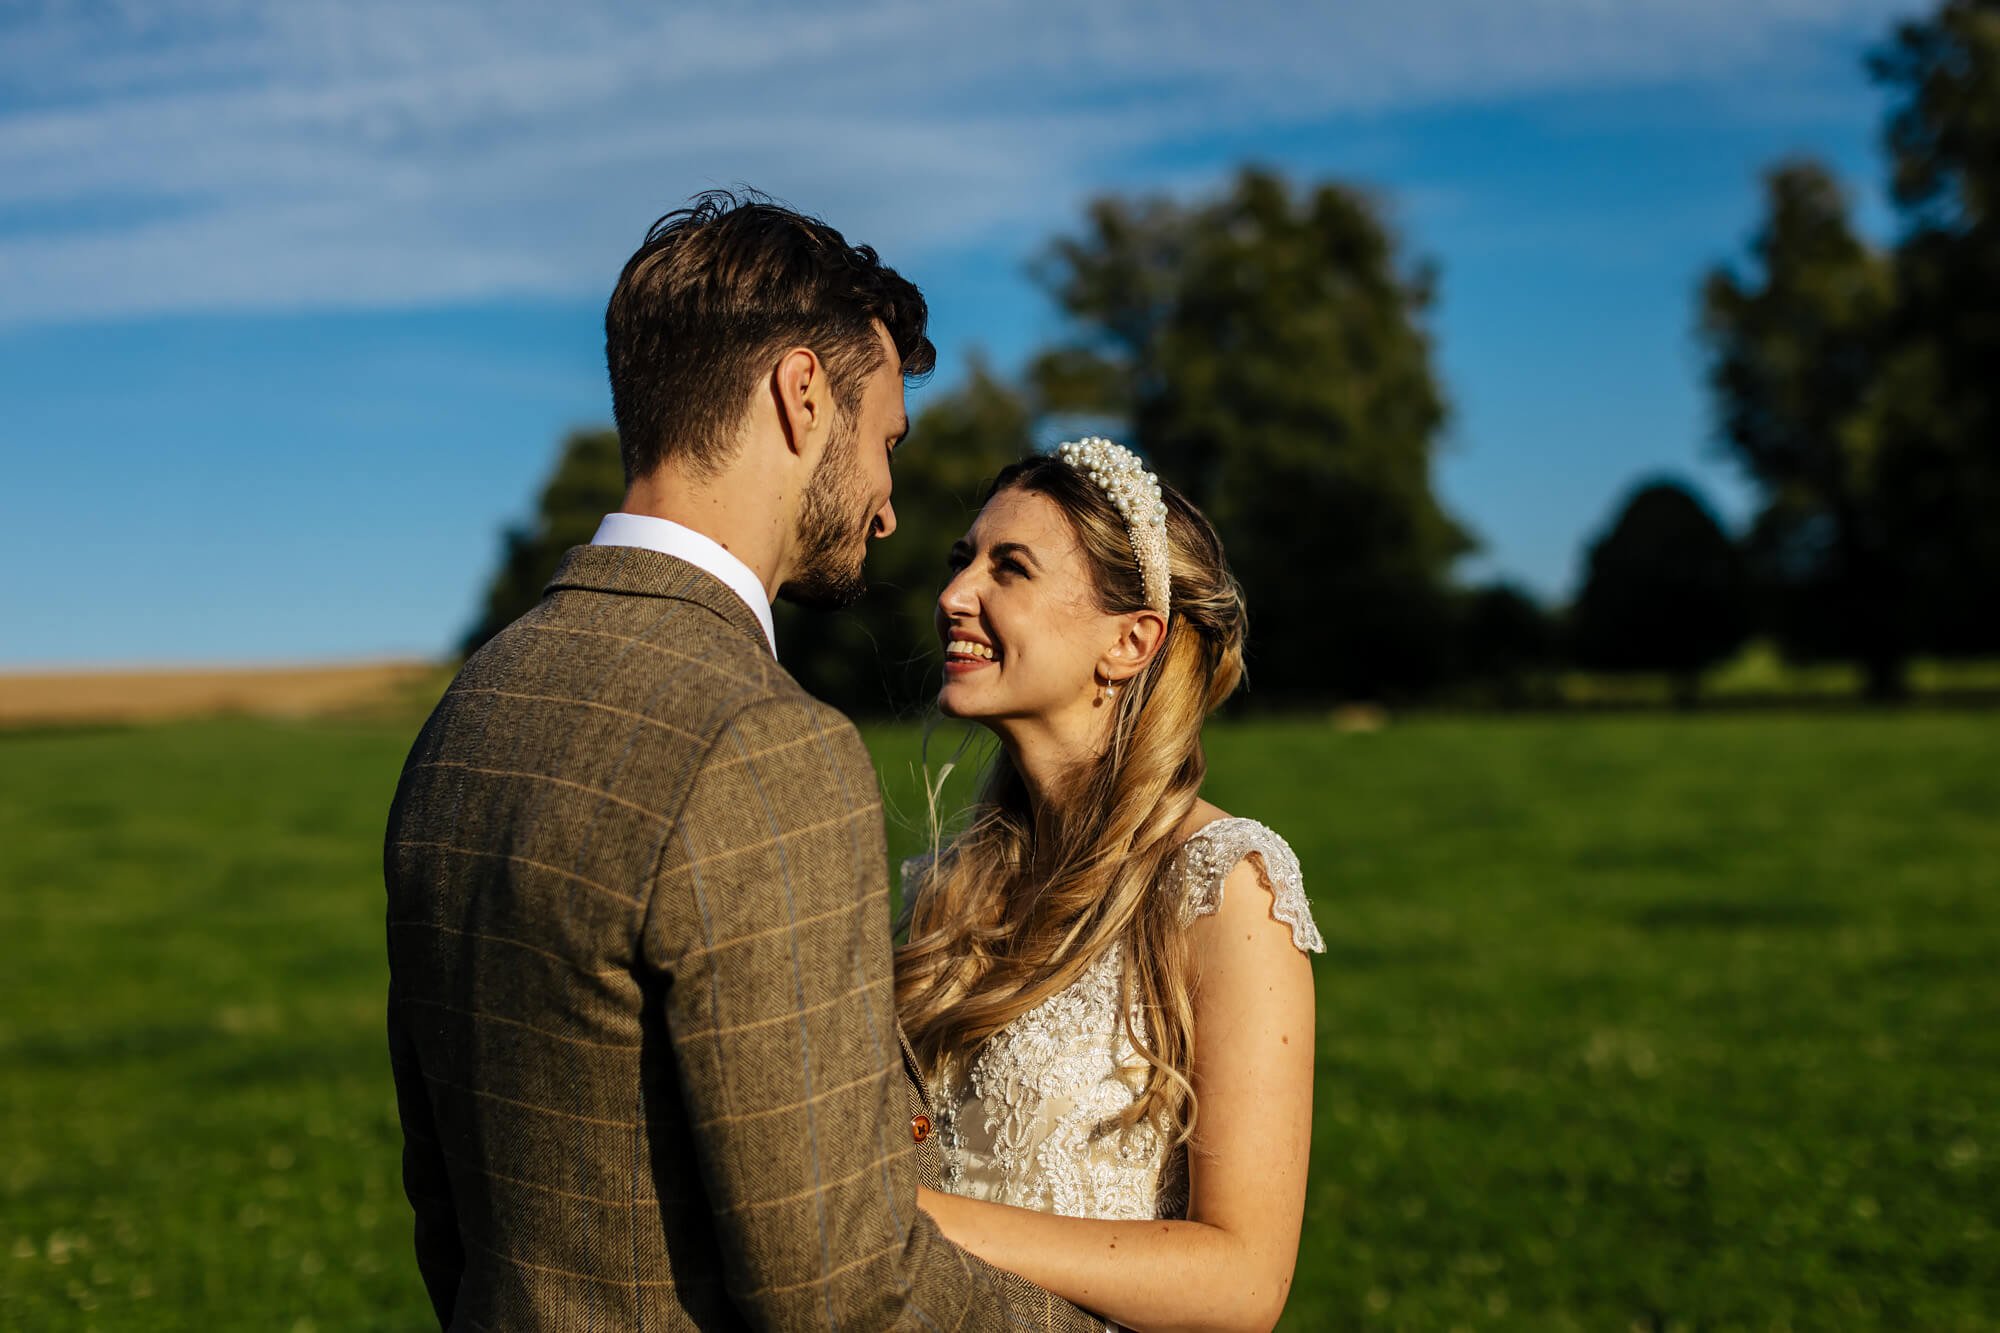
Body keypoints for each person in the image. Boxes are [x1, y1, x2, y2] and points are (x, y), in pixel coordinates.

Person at [384, 192, 1103, 1331]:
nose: (884, 507)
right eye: (884, 444)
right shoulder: (763, 747)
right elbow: (842, 1286)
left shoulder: (473, 708)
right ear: (802, 394)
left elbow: (448, 1207)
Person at [895, 441, 1324, 1333]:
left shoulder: (1223, 887)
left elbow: (1244, 1280)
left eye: (1008, 569)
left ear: (1130, 641)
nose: (955, 596)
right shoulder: (943, 893)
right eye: (963, 560)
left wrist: (904, 1220)